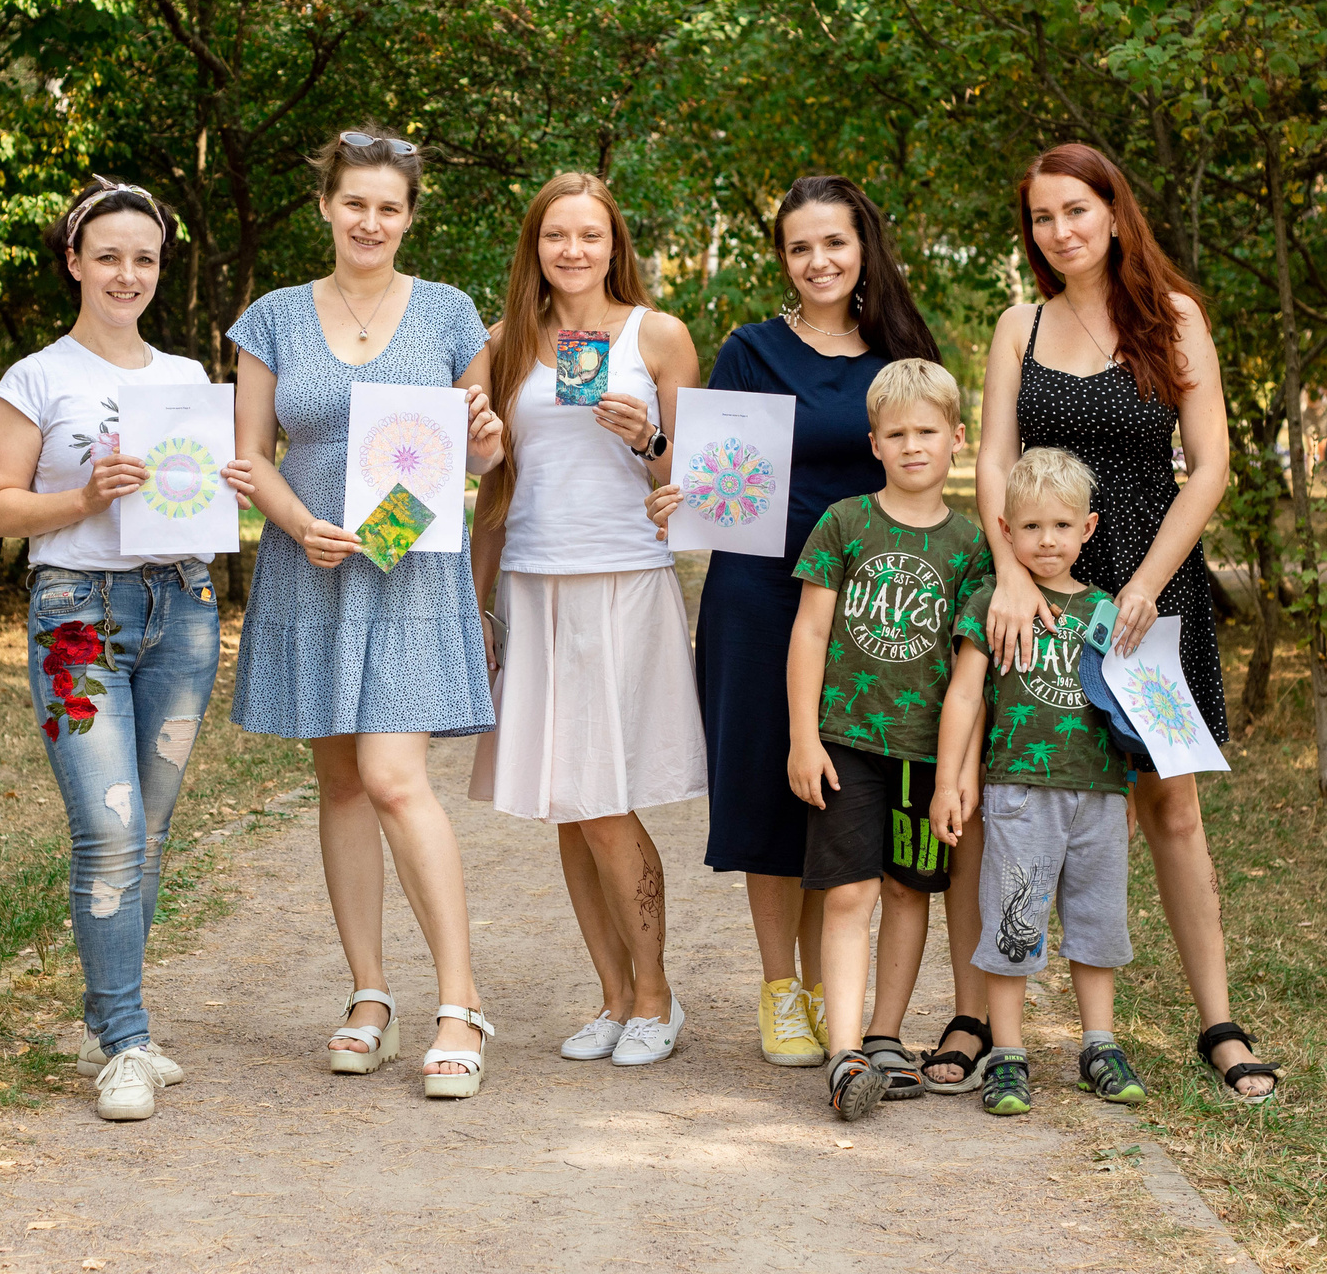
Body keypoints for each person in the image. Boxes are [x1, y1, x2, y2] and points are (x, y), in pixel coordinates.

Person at [958, 141, 1281, 1104]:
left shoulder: (1173, 318)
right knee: (1005, 785)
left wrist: (1145, 584)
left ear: (1113, 211)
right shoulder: (1019, 325)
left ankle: (1219, 1023)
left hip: (1151, 593)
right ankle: (982, 1018)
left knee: (1169, 804)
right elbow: (990, 461)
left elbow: (1210, 463)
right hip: (1038, 594)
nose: (1060, 232)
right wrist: (1012, 575)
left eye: (1076, 211)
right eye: (1043, 219)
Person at [226, 128, 507, 1099]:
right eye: (355, 204)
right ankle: (369, 996)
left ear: (409, 216)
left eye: (389, 208)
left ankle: (460, 1004)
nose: (371, 222)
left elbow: (475, 458)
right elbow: (251, 452)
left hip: (407, 569)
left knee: (393, 777)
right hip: (314, 565)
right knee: (340, 785)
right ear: (326, 207)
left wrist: (485, 436)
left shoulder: (448, 315)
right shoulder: (270, 317)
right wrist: (302, 525)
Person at [649, 176, 946, 1070]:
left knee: (840, 790)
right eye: (800, 247)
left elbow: (925, 464)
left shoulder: (899, 352)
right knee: (767, 786)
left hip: (869, 603)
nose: (818, 261)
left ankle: (830, 986)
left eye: (835, 243)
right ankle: (781, 988)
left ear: (865, 249)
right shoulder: (750, 350)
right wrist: (673, 479)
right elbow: (715, 474)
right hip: (759, 594)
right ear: (783, 259)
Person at [0, 178, 235, 1124]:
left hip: (185, 609)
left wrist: (226, 483)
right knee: (110, 827)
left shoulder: (187, 380)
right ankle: (126, 1042)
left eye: (146, 258)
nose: (128, 273)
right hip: (77, 612)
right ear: (76, 262)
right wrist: (85, 497)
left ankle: (105, 1019)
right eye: (110, 255)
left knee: (150, 831)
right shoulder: (36, 376)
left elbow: (203, 494)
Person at [466, 173, 706, 1067]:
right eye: (556, 235)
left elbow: (703, 483)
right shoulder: (504, 344)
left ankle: (657, 996)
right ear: (535, 246)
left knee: (606, 799)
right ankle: (613, 996)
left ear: (616, 245)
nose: (573, 250)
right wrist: (476, 600)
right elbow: (495, 484)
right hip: (533, 582)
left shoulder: (659, 335)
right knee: (566, 803)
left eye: (591, 235)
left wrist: (647, 441)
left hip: (623, 581)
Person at [783, 359, 992, 1119]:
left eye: (927, 431)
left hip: (925, 750)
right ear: (873, 442)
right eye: (896, 433)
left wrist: (955, 774)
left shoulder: (973, 547)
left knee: (910, 890)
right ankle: (842, 1055)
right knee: (850, 892)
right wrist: (804, 737)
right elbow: (809, 631)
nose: (912, 446)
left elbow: (974, 674)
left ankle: (884, 1037)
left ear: (957, 439)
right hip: (845, 740)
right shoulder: (843, 522)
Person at [932, 446, 1145, 1117]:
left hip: (1098, 793)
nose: (1046, 540)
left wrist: (1131, 789)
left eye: (1061, 525)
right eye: (1030, 527)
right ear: (1004, 528)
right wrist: (947, 782)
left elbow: (1130, 709)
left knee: (1098, 918)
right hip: (1020, 789)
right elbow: (964, 697)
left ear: (1088, 527)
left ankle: (1100, 1044)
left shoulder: (1108, 612)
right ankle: (1008, 1053)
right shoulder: (990, 603)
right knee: (1013, 920)